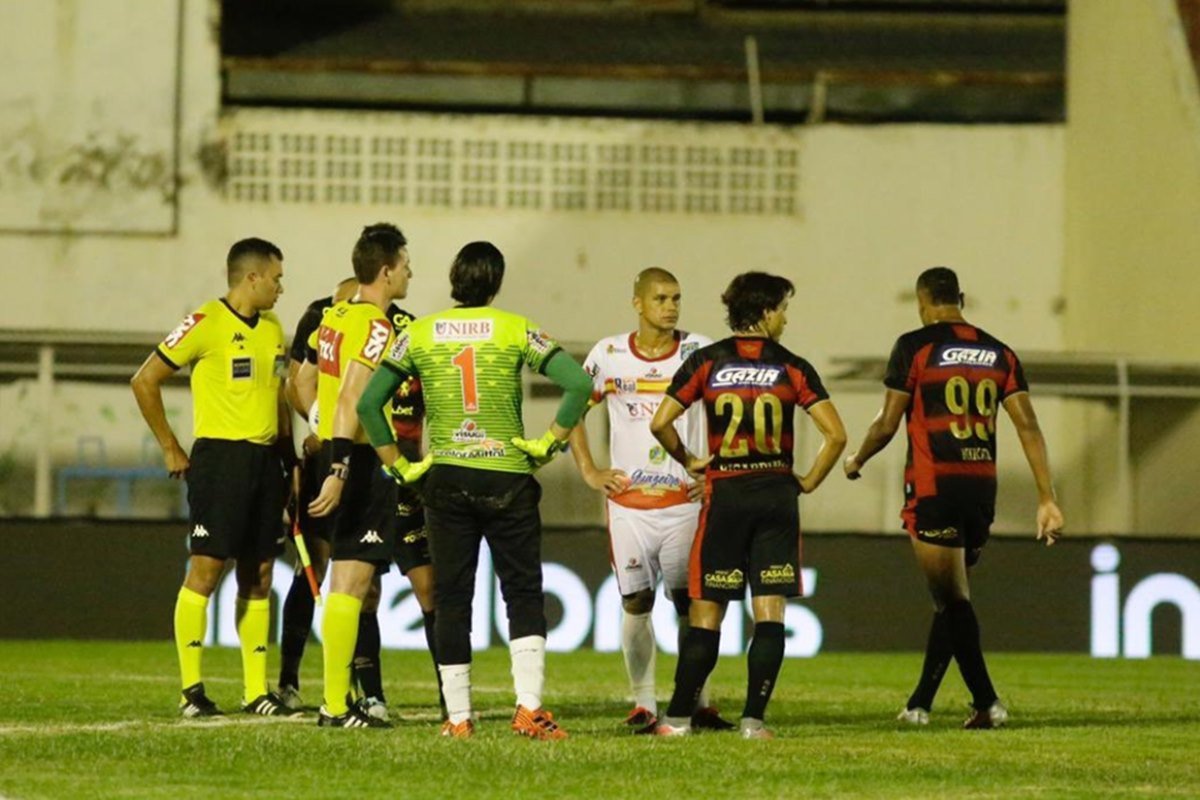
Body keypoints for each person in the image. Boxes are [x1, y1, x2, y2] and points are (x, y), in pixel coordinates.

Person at [357, 241, 593, 739]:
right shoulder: (515, 328)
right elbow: (577, 384)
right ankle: (528, 709)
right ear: (496, 282)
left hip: (445, 479)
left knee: (452, 596)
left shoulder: (419, 333)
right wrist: (549, 444)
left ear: (453, 278)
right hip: (506, 474)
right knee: (523, 592)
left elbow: (368, 403)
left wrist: (398, 466)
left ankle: (458, 717)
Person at [842, 266, 1063, 729]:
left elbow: (887, 422)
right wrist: (1047, 496)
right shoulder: (999, 352)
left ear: (923, 302)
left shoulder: (915, 346)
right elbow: (1028, 425)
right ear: (960, 297)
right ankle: (920, 703)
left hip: (934, 485)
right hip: (981, 487)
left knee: (953, 601)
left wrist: (857, 458)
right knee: (953, 598)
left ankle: (988, 702)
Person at [649, 271, 846, 740]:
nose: (785, 319)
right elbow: (836, 435)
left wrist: (691, 460)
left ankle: (676, 720)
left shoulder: (707, 361)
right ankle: (753, 722)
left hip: (726, 496)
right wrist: (807, 482)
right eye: (782, 310)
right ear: (764, 313)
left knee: (706, 612)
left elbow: (660, 423)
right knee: (770, 610)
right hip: (777, 496)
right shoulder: (792, 366)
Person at [131, 237, 295, 717]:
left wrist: (291, 462)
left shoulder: (272, 328)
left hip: (266, 463)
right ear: (252, 277)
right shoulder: (205, 322)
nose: (281, 288)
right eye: (277, 278)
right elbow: (144, 380)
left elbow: (279, 398)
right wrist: (169, 444)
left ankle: (255, 692)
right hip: (221, 461)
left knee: (260, 574)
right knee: (205, 570)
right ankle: (191, 690)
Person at [568, 267, 732, 733]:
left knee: (691, 603)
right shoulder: (610, 354)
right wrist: (589, 470)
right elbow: (572, 410)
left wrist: (714, 471)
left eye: (677, 298)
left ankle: (697, 701)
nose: (671, 306)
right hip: (630, 504)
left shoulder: (701, 351)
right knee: (636, 601)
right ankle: (643, 702)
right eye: (660, 298)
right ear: (637, 303)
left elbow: (731, 411)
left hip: (685, 501)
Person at [293, 222, 435, 729]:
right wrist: (338, 467)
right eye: (405, 264)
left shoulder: (332, 317)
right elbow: (353, 398)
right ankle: (334, 704)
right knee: (351, 584)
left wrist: (322, 438)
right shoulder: (378, 326)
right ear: (385, 270)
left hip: (336, 454)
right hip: (356, 460)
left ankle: (337, 702)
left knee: (346, 583)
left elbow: (306, 382)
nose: (410, 272)